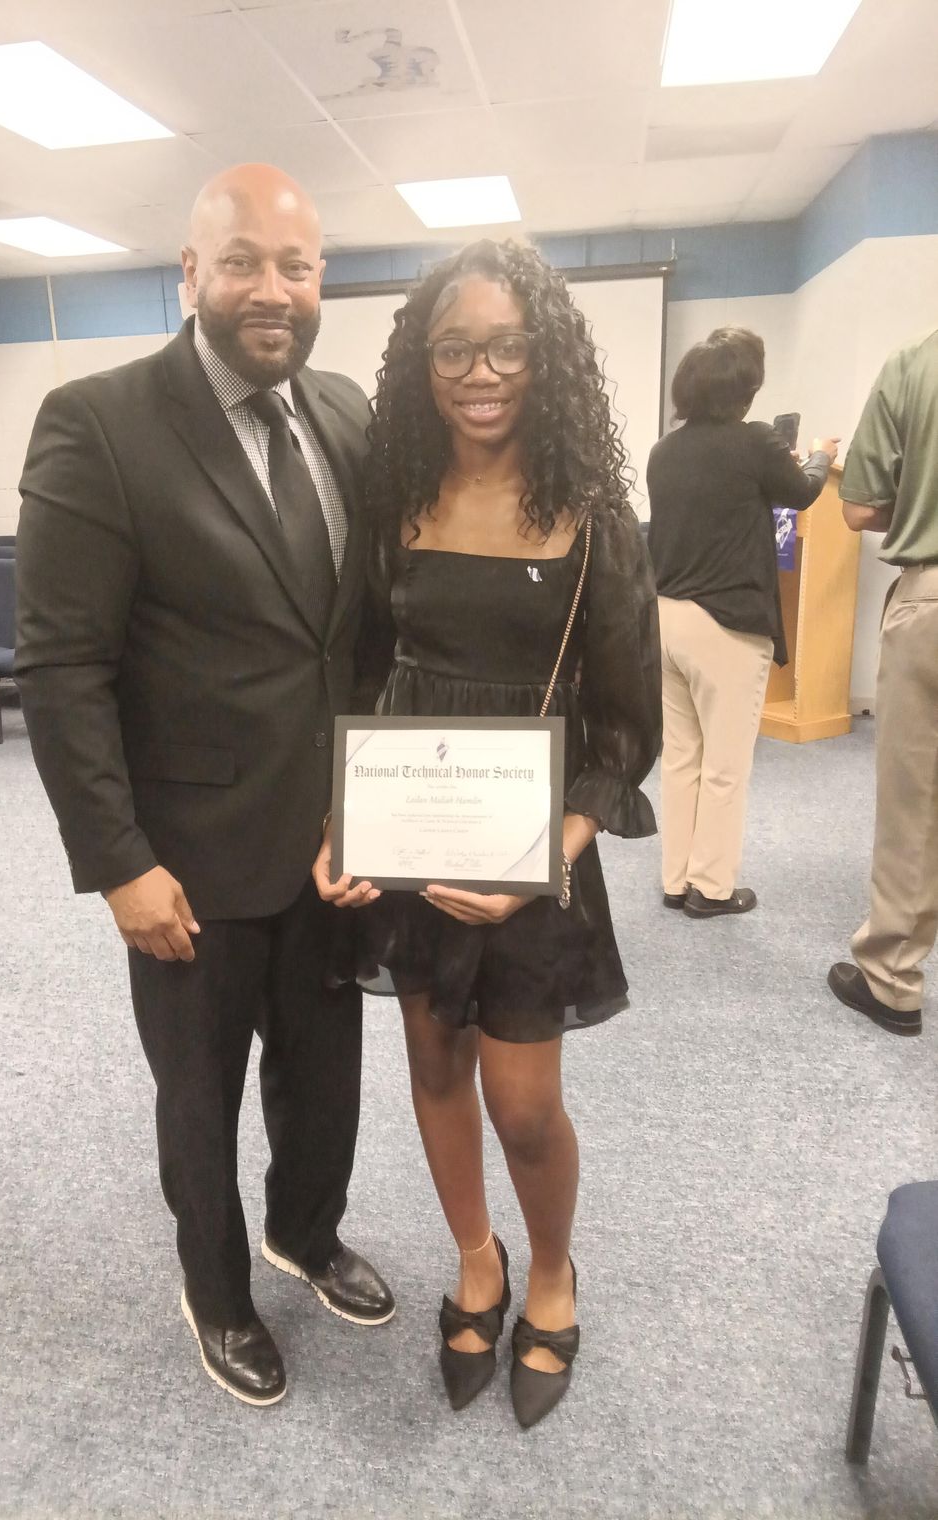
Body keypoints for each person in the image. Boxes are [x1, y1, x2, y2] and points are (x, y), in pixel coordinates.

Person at [14, 164, 393, 1409]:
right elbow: (64, 666)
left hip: (330, 847)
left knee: (324, 1076)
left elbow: (351, 633)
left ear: (322, 275)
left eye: (297, 264)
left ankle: (305, 1229)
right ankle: (217, 1288)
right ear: (192, 273)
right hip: (185, 856)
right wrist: (117, 860)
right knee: (201, 1097)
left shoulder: (339, 412)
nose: (271, 289)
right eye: (242, 262)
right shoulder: (102, 420)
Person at [315, 239, 661, 1429]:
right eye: (453, 347)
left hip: (530, 856)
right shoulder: (396, 502)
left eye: (506, 344)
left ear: (545, 354)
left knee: (523, 1102)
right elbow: (365, 673)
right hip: (412, 834)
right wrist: (341, 820)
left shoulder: (594, 518)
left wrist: (547, 859)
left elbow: (626, 733)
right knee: (432, 1064)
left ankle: (552, 1270)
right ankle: (478, 1256)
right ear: (422, 360)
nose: (479, 371)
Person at [646, 328, 839, 917]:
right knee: (726, 765)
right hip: (727, 625)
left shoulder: (664, 450)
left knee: (681, 758)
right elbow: (803, 491)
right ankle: (712, 888)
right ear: (747, 391)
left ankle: (677, 879)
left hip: (668, 618)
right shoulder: (755, 442)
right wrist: (823, 453)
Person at [828, 327, 938, 1037]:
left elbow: (860, 508)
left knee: (915, 801)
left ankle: (893, 979)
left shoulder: (915, 365)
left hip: (931, 598)